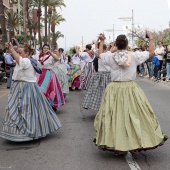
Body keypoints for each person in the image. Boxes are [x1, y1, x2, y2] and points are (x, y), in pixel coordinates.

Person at [93, 32, 168, 155]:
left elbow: (100, 54)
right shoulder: (134, 56)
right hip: (130, 88)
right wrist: (151, 39)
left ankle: (117, 145)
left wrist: (101, 41)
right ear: (127, 44)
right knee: (135, 115)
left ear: (116, 44)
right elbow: (151, 53)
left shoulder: (111, 57)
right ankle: (134, 142)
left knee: (115, 116)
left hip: (114, 89)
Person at [0, 43, 61, 141]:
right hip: (19, 87)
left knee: (26, 110)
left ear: (27, 53)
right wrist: (16, 46)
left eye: (20, 52)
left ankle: (27, 133)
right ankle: (16, 133)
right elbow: (20, 59)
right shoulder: (28, 59)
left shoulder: (27, 61)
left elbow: (21, 60)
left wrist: (12, 49)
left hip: (26, 87)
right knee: (18, 109)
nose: (18, 54)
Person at [33, 44, 65, 111]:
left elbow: (57, 59)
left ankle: (51, 105)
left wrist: (51, 53)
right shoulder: (38, 56)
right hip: (39, 75)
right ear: (42, 49)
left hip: (48, 74)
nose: (46, 49)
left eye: (47, 48)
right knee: (38, 89)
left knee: (49, 90)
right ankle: (41, 105)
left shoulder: (51, 57)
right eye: (44, 48)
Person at [82, 42, 111, 111]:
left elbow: (91, 51)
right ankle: (104, 107)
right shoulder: (106, 54)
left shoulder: (103, 54)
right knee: (101, 92)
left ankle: (101, 106)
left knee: (97, 92)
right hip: (105, 75)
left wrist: (100, 41)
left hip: (101, 74)